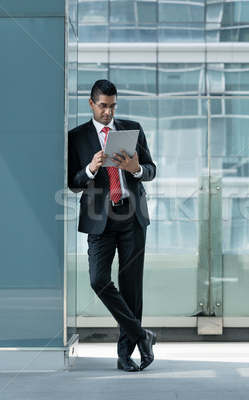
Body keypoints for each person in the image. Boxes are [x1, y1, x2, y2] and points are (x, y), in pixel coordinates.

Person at [68, 79, 157, 372]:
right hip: (100, 221)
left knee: (132, 289)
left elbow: (151, 170)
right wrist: (91, 169)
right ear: (91, 104)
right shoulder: (77, 137)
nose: (108, 112)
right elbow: (73, 182)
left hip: (132, 218)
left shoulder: (132, 129)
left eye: (112, 106)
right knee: (98, 280)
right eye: (103, 106)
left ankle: (125, 355)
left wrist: (137, 169)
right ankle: (142, 335)